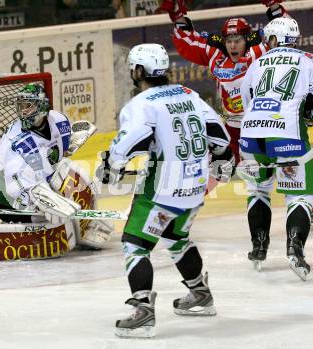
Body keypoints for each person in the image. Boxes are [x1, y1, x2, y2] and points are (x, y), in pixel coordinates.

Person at [96, 43, 232, 338]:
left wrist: (111, 164)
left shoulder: (142, 103)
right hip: (196, 185)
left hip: (162, 189)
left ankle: (143, 310)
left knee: (135, 244)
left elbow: (128, 143)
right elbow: (220, 137)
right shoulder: (188, 94)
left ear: (139, 70)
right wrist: (223, 159)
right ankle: (200, 294)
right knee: (176, 237)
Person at [163, 0, 289, 268]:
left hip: (264, 124)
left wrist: (275, 6)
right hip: (232, 127)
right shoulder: (214, 54)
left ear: (247, 38)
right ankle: (180, 213)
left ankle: (302, 207)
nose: (233, 45)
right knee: (217, 171)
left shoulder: (260, 51)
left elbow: (282, 30)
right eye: (229, 39)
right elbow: (187, 41)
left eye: (238, 39)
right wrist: (177, 14)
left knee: (287, 172)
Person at [0, 83, 113, 264]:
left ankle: (86, 226)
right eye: (21, 106)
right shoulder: (19, 144)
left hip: (34, 183)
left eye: (28, 105)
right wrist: (47, 202)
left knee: (71, 170)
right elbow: (16, 183)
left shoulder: (59, 121)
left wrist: (69, 145)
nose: (23, 111)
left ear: (42, 106)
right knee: (59, 233)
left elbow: (56, 155)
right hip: (5, 195)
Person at [239, 17, 313, 279]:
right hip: (288, 135)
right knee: (301, 196)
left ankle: (259, 245)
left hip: (250, 134)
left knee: (258, 189)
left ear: (272, 40)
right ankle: (295, 248)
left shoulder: (257, 63)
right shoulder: (308, 60)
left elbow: (246, 100)